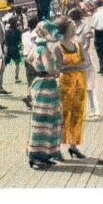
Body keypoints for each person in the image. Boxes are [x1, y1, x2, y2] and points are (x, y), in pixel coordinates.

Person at [26, 21, 63, 168]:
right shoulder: (45, 50)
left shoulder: (36, 47)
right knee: (46, 121)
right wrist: (58, 68)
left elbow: (28, 59)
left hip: (38, 82)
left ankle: (40, 154)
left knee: (40, 120)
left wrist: (37, 67)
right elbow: (51, 70)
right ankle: (38, 156)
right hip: (47, 85)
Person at [53, 15, 89, 159]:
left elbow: (86, 63)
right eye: (72, 28)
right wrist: (76, 67)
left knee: (77, 114)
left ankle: (73, 146)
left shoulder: (78, 45)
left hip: (80, 84)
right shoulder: (58, 47)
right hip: (65, 86)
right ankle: (57, 148)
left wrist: (74, 67)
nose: (74, 30)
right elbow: (59, 67)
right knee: (63, 115)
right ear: (65, 30)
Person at [68, 8, 99, 118]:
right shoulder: (71, 27)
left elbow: (87, 44)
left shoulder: (86, 27)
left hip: (83, 58)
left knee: (88, 85)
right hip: (73, 58)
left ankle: (92, 108)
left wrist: (79, 52)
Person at [4, 16, 24, 83]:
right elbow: (20, 41)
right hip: (15, 49)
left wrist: (6, 52)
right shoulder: (18, 31)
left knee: (4, 65)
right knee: (17, 64)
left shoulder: (7, 31)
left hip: (9, 49)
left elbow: (6, 43)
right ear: (15, 23)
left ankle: (1, 77)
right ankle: (16, 78)